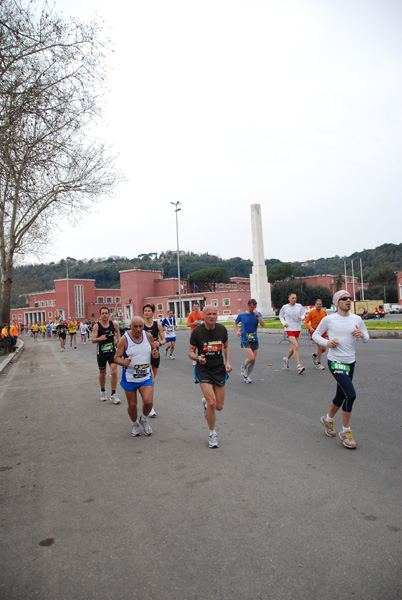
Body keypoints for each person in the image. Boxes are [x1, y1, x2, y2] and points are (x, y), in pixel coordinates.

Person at [313, 290, 369, 449]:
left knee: (340, 395)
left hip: (350, 361)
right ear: (337, 302)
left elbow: (367, 337)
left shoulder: (356, 319)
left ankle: (328, 419)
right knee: (350, 395)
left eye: (350, 298)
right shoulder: (329, 319)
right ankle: (346, 431)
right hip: (335, 361)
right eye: (344, 299)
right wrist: (327, 343)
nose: (348, 300)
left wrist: (362, 335)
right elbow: (316, 335)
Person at [189, 304, 232, 449]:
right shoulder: (197, 332)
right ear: (203, 316)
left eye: (214, 314)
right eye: (209, 314)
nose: (212, 316)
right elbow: (190, 352)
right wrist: (197, 358)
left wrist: (228, 363)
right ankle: (212, 434)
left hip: (219, 369)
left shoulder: (221, 329)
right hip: (203, 370)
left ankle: (206, 405)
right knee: (212, 403)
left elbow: (226, 346)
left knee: (218, 407)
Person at [114, 316, 159, 437]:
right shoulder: (125, 339)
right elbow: (116, 357)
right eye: (135, 326)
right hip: (130, 377)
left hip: (145, 376)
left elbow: (154, 351)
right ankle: (134, 423)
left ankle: (143, 419)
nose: (138, 329)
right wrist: (123, 362)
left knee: (148, 402)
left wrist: (155, 354)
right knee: (132, 405)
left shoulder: (148, 336)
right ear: (130, 327)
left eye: (141, 326)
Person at [91, 307, 121, 404]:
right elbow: (92, 340)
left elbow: (118, 332)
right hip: (101, 352)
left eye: (106, 313)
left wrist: (118, 341)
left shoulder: (113, 324)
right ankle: (103, 391)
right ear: (100, 315)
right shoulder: (97, 326)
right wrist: (100, 338)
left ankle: (113, 393)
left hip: (112, 351)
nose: (104, 315)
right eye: (103, 313)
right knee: (102, 373)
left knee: (114, 371)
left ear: (109, 314)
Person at [142, 303, 166, 417]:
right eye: (145, 311)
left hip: (155, 354)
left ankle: (148, 402)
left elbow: (164, 340)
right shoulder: (140, 325)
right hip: (142, 357)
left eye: (149, 311)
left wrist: (159, 344)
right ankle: (149, 406)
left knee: (151, 381)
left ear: (153, 312)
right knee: (150, 380)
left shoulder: (158, 325)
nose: (147, 313)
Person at [234, 298, 265, 383]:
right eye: (252, 307)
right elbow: (235, 323)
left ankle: (247, 376)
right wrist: (237, 331)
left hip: (254, 338)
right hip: (245, 338)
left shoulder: (257, 314)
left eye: (255, 307)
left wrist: (257, 315)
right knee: (251, 357)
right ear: (248, 306)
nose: (253, 309)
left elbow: (263, 324)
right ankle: (243, 367)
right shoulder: (242, 315)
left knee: (253, 360)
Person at [279, 293, 306, 374]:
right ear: (289, 299)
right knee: (296, 346)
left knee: (293, 347)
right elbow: (280, 316)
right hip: (289, 328)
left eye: (295, 298)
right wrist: (284, 323)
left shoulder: (299, 306)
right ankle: (299, 366)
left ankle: (286, 359)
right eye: (293, 298)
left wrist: (302, 318)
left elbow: (303, 313)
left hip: (297, 328)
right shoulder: (285, 307)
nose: (294, 299)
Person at [304, 299, 328, 370]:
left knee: (324, 349)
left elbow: (327, 321)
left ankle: (314, 355)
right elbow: (306, 322)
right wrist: (310, 327)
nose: (319, 305)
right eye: (317, 304)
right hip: (315, 332)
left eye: (320, 304)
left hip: (322, 332)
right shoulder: (311, 312)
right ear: (315, 305)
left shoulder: (324, 312)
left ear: (322, 305)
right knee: (320, 348)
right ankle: (319, 364)